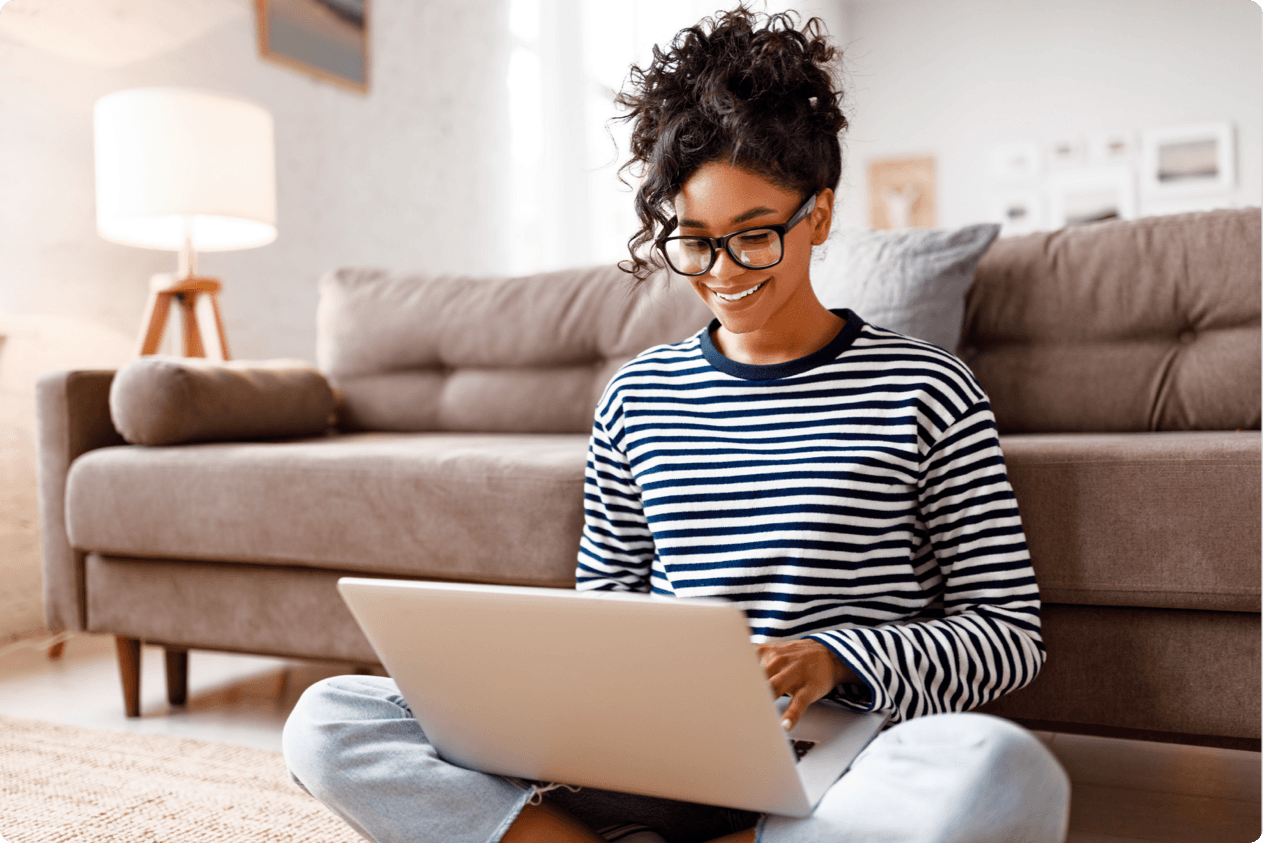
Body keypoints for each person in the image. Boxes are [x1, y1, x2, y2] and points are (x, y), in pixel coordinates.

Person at [282, 7, 1071, 843]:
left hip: (839, 755)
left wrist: (840, 658)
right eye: (693, 243)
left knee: (995, 767)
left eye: (754, 236)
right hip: (650, 751)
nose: (723, 273)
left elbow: (1006, 634)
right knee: (328, 719)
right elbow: (604, 609)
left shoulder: (927, 388)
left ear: (821, 215)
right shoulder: (637, 397)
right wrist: (563, 703)